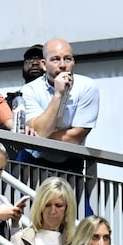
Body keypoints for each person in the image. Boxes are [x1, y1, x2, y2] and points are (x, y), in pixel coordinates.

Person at [15, 37, 101, 175]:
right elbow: (41, 131)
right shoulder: (29, 90)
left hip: (70, 163)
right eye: (55, 59)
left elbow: (76, 137)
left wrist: (39, 137)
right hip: (32, 161)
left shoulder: (87, 87)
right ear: (44, 64)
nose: (62, 65)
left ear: (73, 62)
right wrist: (58, 95)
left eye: (67, 59)